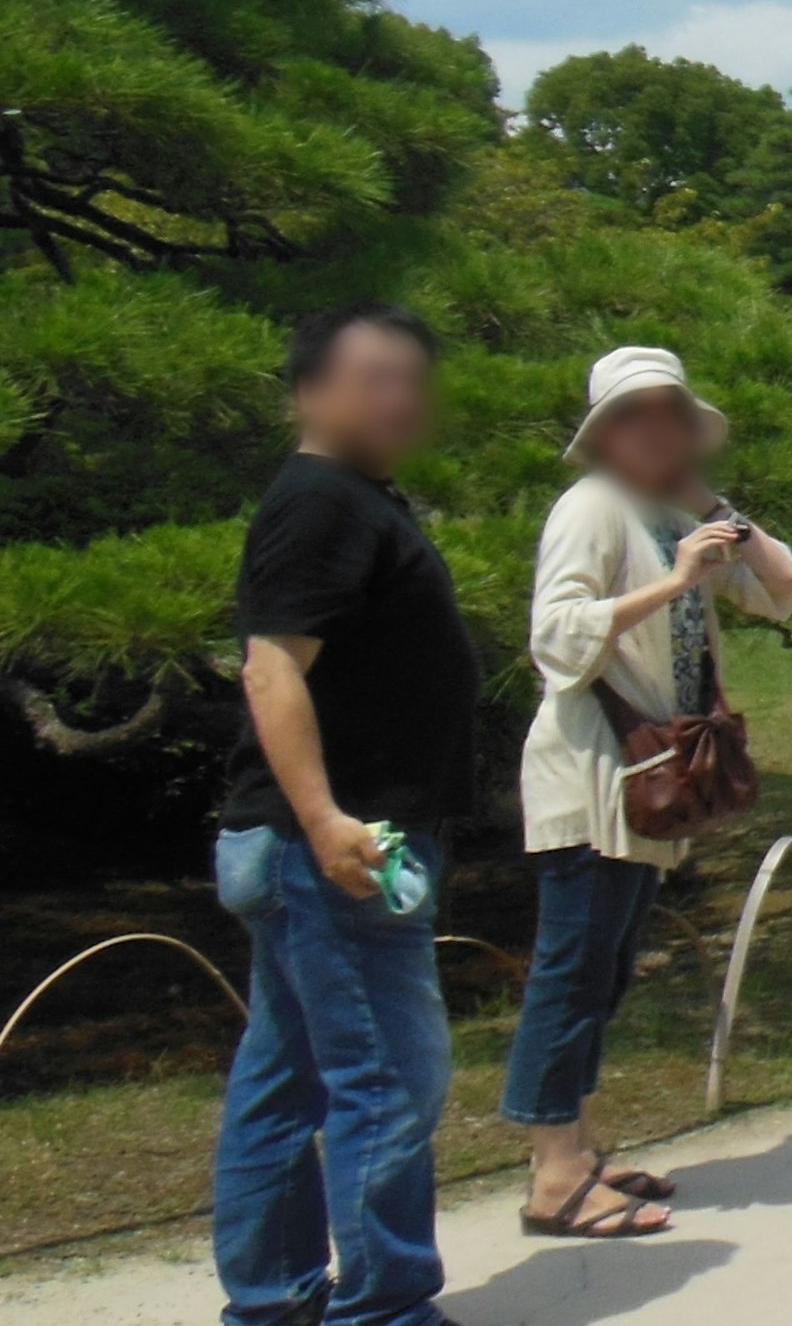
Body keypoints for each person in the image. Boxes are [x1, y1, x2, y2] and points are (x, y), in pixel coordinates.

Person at [212, 301, 479, 1326]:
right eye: (373, 376)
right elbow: (272, 667)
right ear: (308, 390)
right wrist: (325, 819)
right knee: (391, 1078)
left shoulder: (352, 498)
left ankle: (273, 1300)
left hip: (310, 844)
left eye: (412, 377)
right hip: (333, 847)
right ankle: (385, 1307)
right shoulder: (321, 500)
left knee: (288, 1082)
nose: (399, 397)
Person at [504, 345, 792, 1239]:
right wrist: (675, 583)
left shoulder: (666, 512)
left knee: (606, 970)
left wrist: (715, 510)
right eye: (638, 414)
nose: (658, 428)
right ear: (605, 431)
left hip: (646, 780)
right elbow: (554, 637)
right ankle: (554, 1170)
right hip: (591, 773)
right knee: (573, 969)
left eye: (671, 411)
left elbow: (782, 590)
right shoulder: (591, 507)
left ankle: (578, 1149)